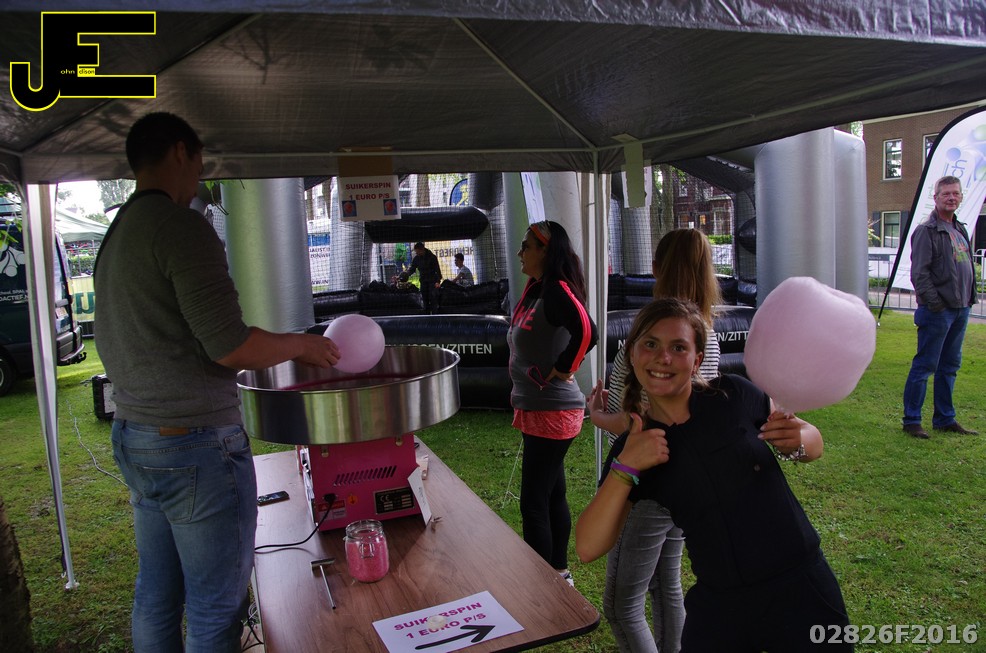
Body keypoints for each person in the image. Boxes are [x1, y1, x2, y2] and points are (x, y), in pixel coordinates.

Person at [94, 112, 341, 653]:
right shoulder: (180, 228)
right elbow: (230, 346)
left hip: (136, 435)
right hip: (195, 443)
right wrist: (301, 344)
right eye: (201, 162)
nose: (201, 176)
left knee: (157, 595)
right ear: (182, 152)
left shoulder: (118, 232)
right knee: (215, 605)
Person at [575, 298, 851, 652]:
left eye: (679, 347)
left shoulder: (733, 394)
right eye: (651, 344)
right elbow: (587, 547)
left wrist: (798, 440)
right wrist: (625, 467)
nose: (663, 358)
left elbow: (812, 441)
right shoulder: (636, 445)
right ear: (631, 354)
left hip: (801, 584)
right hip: (722, 602)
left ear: (697, 360)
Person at [586, 228, 721, 653]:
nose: (664, 358)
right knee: (666, 585)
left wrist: (597, 415)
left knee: (622, 603)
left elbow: (632, 423)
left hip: (645, 483)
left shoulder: (645, 337)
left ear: (656, 269)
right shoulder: (706, 335)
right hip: (686, 477)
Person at [508, 220, 597, 584]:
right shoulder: (538, 289)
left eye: (526, 246)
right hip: (539, 408)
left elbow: (587, 330)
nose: (520, 252)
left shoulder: (557, 289)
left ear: (545, 251)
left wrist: (564, 368)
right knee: (552, 493)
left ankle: (543, 587)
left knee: (533, 502)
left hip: (553, 410)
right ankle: (559, 574)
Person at [902, 175, 979, 439]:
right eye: (946, 194)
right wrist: (935, 304)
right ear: (935, 198)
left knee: (950, 366)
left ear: (961, 197)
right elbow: (919, 274)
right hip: (938, 312)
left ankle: (945, 418)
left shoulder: (960, 229)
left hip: (961, 309)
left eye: (955, 193)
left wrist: (969, 299)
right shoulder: (927, 231)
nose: (951, 198)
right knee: (925, 366)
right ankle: (912, 420)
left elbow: (966, 267)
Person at [399, 241, 443, 313]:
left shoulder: (432, 257)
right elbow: (412, 269)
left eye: (417, 252)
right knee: (425, 299)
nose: (416, 253)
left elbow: (437, 270)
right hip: (423, 281)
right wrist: (405, 275)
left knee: (433, 299)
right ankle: (427, 314)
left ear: (422, 249)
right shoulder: (417, 258)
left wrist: (438, 281)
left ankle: (434, 315)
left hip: (432, 281)